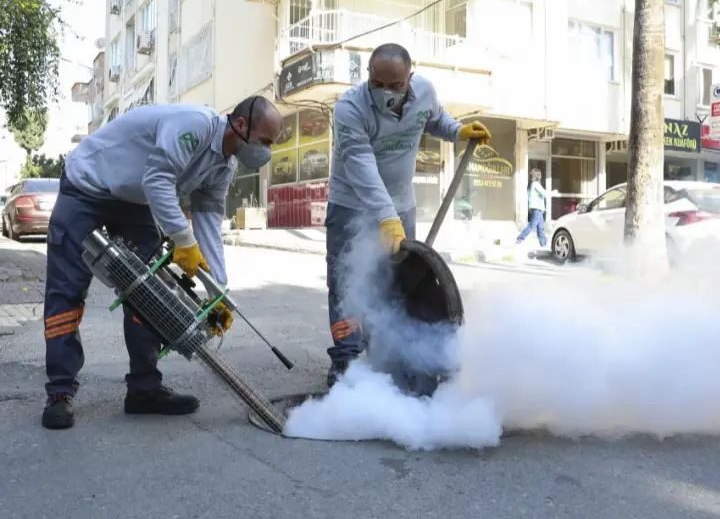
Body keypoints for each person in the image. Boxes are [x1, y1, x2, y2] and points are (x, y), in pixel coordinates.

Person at [40, 96, 283, 430]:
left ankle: (144, 388)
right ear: (241, 125)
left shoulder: (224, 167)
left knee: (151, 292)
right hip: (88, 185)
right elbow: (157, 179)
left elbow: (209, 221)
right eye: (266, 141)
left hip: (135, 200)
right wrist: (183, 240)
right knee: (67, 290)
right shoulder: (194, 125)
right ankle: (60, 391)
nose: (266, 151)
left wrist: (218, 292)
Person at [324, 42, 491, 387]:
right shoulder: (349, 108)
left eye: (396, 85)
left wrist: (457, 131)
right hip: (352, 205)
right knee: (345, 284)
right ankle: (346, 360)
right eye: (378, 84)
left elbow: (435, 120)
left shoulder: (425, 92)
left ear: (410, 78)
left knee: (398, 281)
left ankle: (389, 354)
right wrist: (386, 217)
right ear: (368, 75)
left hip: (401, 204)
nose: (386, 92)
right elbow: (361, 165)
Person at [516, 168, 549, 247]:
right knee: (532, 225)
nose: (540, 176)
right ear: (537, 176)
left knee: (540, 227)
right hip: (537, 208)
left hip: (537, 208)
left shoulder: (531, 184)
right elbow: (544, 193)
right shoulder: (535, 184)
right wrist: (552, 192)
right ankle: (520, 238)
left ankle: (543, 243)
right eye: (539, 175)